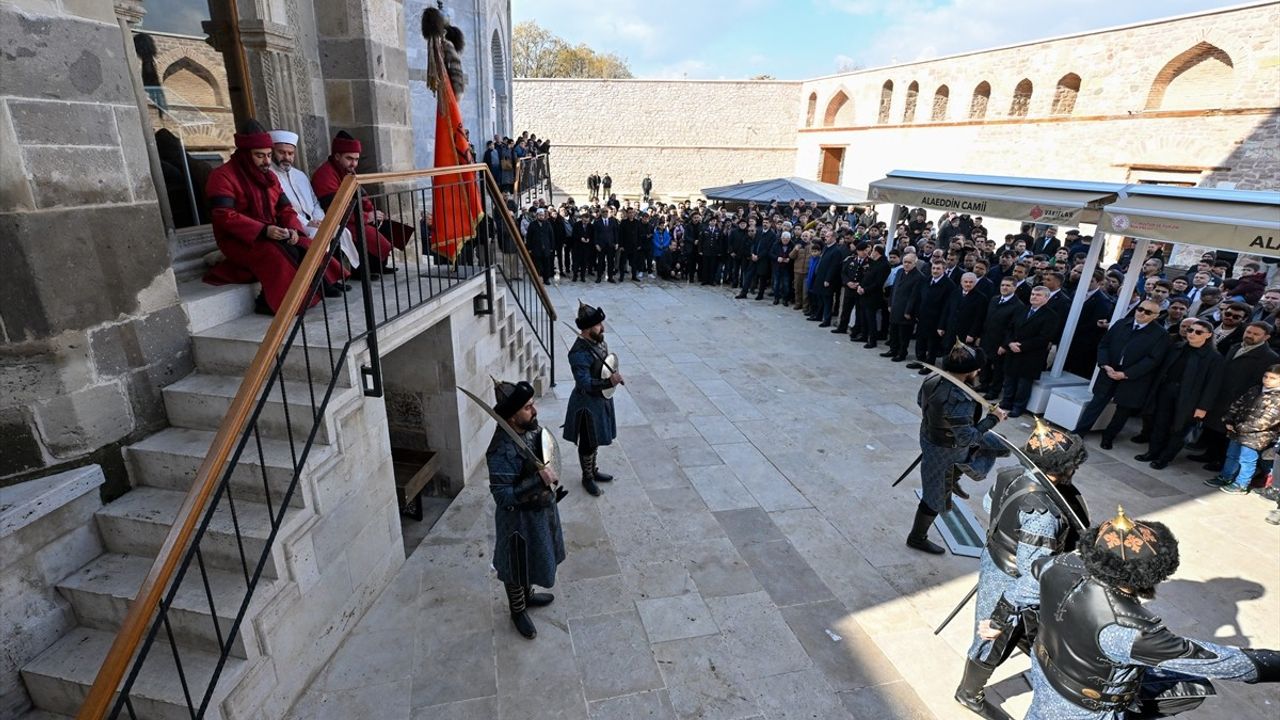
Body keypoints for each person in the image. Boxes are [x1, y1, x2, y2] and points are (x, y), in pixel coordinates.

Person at [1004, 507, 1279, 720]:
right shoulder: (1130, 627)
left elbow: (1022, 589)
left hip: (1045, 669)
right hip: (1084, 708)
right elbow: (1217, 662)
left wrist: (996, 621)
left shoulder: (1060, 563)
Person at [957, 421, 1090, 720]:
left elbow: (990, 501)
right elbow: (1033, 574)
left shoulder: (1011, 473)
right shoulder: (1043, 516)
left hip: (996, 558)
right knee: (993, 637)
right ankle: (968, 694)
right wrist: (1008, 610)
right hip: (1012, 580)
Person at [203, 119, 345, 315]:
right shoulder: (222, 176)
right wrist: (263, 230)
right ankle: (271, 302)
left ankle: (320, 283)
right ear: (245, 154)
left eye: (269, 155)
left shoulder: (270, 178)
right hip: (239, 239)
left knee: (305, 244)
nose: (267, 161)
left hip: (270, 233)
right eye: (260, 156)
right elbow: (223, 216)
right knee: (277, 252)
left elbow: (285, 209)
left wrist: (294, 229)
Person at [910, 342, 1009, 555]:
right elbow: (967, 438)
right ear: (969, 371)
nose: (979, 371)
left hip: (931, 437)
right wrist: (993, 419)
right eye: (977, 368)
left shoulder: (932, 378)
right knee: (934, 498)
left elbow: (921, 402)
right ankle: (917, 538)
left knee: (999, 443)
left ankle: (953, 478)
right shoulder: (960, 399)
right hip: (946, 449)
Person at [486, 378, 565, 640]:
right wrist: (536, 481)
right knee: (517, 563)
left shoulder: (530, 430)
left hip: (538, 512)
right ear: (511, 417)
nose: (535, 411)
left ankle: (528, 595)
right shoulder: (500, 450)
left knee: (533, 557)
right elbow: (502, 496)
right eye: (528, 407)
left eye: (533, 405)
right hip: (517, 521)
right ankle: (517, 609)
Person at [1072, 299, 1171, 448]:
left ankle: (1108, 438)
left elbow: (1152, 360)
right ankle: (1079, 432)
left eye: (1148, 312)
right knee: (1096, 403)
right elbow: (1104, 344)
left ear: (1156, 316)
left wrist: (1126, 374)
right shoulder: (1121, 323)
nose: (1142, 313)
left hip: (1133, 378)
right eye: (1140, 309)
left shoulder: (1160, 334)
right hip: (1109, 372)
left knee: (1122, 411)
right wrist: (1105, 365)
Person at [268, 129, 362, 271]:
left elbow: (314, 201)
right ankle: (323, 280)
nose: (286, 157)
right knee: (317, 235)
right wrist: (308, 223)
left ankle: (342, 274)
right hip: (295, 224)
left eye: (290, 153)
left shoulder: (300, 175)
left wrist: (320, 219)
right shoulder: (270, 176)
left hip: (314, 220)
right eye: (282, 152)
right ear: (273, 152)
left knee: (341, 231)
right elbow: (282, 207)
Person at [1138, 318, 1223, 470]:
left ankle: (1164, 458)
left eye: (1198, 332)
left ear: (1208, 335)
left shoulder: (1214, 358)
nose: (1192, 334)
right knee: (1160, 424)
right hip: (1167, 391)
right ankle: (1152, 452)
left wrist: (1203, 407)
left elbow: (1213, 385)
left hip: (1191, 399)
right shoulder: (1178, 347)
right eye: (1190, 330)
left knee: (1179, 429)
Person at [310, 130, 395, 276]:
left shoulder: (348, 171)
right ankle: (362, 271)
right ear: (337, 156)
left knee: (387, 226)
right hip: (340, 219)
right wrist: (366, 217)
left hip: (355, 215)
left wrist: (373, 212)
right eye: (349, 158)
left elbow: (363, 196)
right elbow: (335, 208)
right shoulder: (324, 175)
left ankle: (377, 267)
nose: (354, 164)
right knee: (366, 234)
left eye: (356, 159)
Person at [564, 302, 622, 496]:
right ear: (588, 328)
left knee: (595, 439)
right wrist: (608, 383)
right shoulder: (578, 353)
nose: (603, 328)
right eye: (599, 325)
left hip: (600, 400)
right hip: (586, 404)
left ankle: (593, 470)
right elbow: (584, 383)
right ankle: (587, 477)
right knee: (588, 442)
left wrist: (611, 375)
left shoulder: (598, 342)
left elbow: (604, 367)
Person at [1205, 364, 1280, 494]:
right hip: (1238, 432)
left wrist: (1240, 427)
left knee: (1247, 460)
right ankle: (1226, 476)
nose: (1267, 380)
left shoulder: (1277, 398)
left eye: (1273, 378)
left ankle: (1241, 484)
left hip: (1256, 437)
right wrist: (1229, 419)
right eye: (1265, 376)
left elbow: (1266, 421)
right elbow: (1238, 404)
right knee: (1232, 455)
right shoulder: (1255, 390)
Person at [999, 286, 1058, 417]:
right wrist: (1009, 343)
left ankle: (1018, 407)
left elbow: (1044, 337)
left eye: (1038, 295)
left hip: (1031, 355)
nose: (1034, 297)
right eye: (1032, 294)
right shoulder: (1022, 309)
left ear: (1046, 298)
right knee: (1009, 378)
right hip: (1013, 351)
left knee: (1023, 383)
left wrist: (1022, 346)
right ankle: (1007, 401)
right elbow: (1009, 328)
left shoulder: (1051, 315)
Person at [909, 259, 959, 374]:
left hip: (936, 319)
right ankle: (919, 361)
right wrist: (916, 313)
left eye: (938, 269)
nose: (935, 271)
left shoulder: (949, 285)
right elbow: (919, 297)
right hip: (923, 317)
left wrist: (942, 324)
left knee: (932, 344)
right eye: (933, 268)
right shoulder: (926, 280)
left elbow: (947, 307)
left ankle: (929, 365)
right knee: (920, 341)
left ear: (944, 270)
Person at [886, 253, 926, 362]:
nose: (906, 264)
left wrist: (908, 311)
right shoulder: (899, 272)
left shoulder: (919, 277)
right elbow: (894, 289)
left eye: (909, 262)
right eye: (905, 262)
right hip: (896, 306)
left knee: (903, 334)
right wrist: (890, 304)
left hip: (907, 310)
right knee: (893, 331)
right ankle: (893, 350)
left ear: (915, 263)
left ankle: (902, 353)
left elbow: (915, 296)